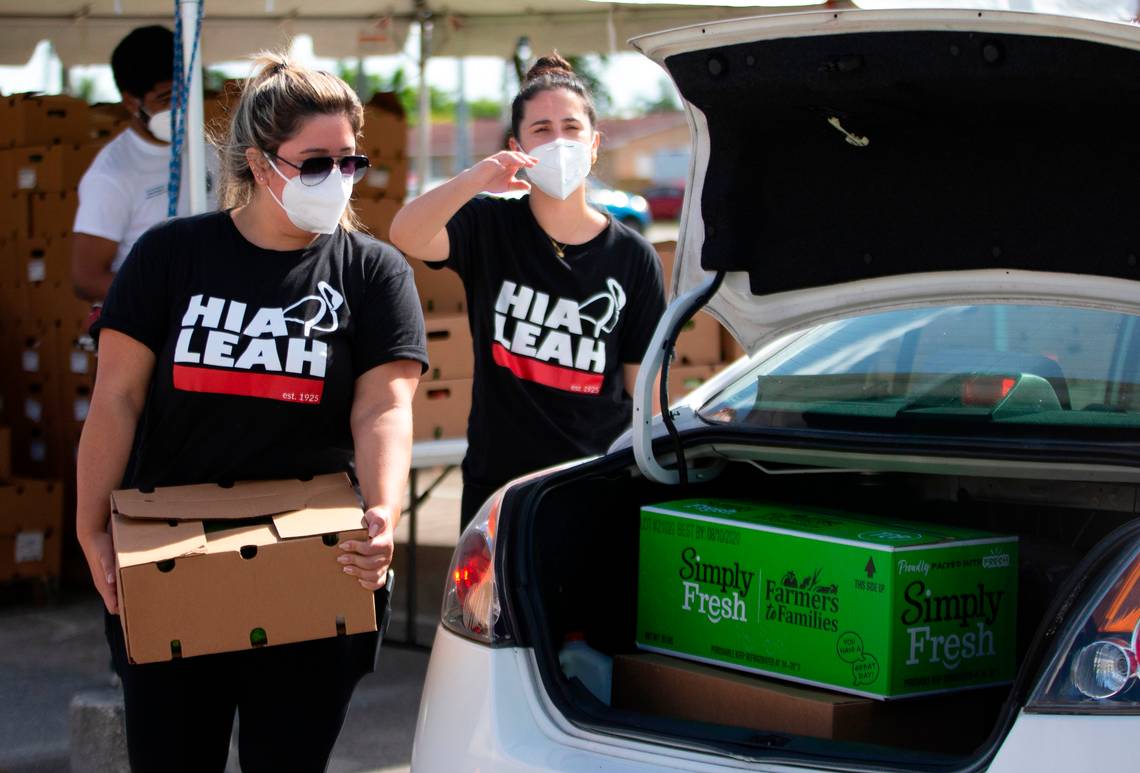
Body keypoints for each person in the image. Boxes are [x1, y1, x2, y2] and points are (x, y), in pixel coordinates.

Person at [74, 53, 427, 772]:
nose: (336, 179)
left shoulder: (372, 271)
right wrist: (89, 526)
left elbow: (385, 407)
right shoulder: (170, 255)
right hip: (172, 551)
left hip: (310, 556)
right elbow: (117, 397)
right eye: (314, 162)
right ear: (258, 162)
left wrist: (385, 512)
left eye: (349, 162)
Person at [390, 53, 666, 529]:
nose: (559, 141)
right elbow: (407, 233)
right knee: (488, 607)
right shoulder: (489, 226)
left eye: (571, 128)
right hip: (499, 489)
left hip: (596, 483)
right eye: (541, 129)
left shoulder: (633, 256)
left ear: (594, 144)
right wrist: (480, 177)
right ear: (517, 146)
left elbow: (646, 394)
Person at [72, 25, 218, 302]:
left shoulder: (209, 151)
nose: (180, 107)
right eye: (166, 98)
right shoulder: (112, 174)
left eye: (185, 94)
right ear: (130, 102)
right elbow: (86, 279)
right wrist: (167, 293)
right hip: (151, 328)